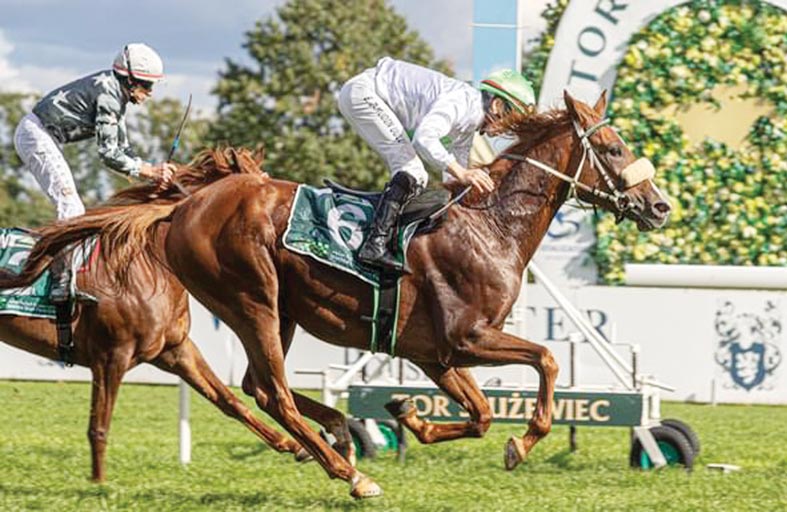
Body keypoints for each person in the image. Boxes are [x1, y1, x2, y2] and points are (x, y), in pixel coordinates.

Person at [338, 57, 536, 271]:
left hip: (369, 95)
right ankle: (375, 244)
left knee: (417, 175)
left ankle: (385, 238)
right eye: (511, 119)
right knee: (413, 171)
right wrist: (463, 173)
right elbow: (424, 139)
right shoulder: (463, 103)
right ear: (497, 105)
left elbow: (454, 179)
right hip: (364, 93)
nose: (507, 130)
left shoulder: (467, 128)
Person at [13, 43, 176, 302]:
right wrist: (149, 172)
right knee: (71, 207)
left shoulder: (115, 93)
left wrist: (152, 171)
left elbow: (123, 149)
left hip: (43, 135)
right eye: (147, 85)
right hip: (35, 136)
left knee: (73, 206)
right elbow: (108, 154)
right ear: (130, 80)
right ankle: (60, 282)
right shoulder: (109, 96)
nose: (150, 93)